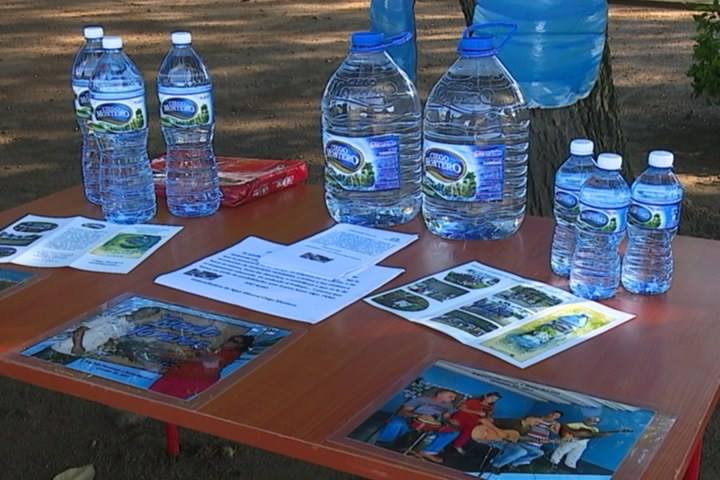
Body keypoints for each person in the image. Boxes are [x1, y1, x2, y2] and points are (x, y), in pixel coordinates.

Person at [149, 334, 254, 400]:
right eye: (231, 339)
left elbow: (212, 360)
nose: (230, 342)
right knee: (150, 396)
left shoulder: (230, 353)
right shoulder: (217, 349)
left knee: (164, 400)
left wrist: (181, 357)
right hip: (177, 376)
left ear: (240, 347)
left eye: (235, 342)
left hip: (192, 380)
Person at [376, 389, 460, 464]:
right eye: (450, 396)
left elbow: (446, 418)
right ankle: (384, 443)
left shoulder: (449, 406)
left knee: (454, 432)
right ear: (440, 394)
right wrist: (419, 415)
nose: (453, 399)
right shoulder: (422, 399)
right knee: (397, 423)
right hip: (411, 422)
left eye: (453, 398)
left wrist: (451, 422)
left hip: (433, 427)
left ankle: (428, 452)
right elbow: (403, 411)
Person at [492, 411, 563, 469]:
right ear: (550, 413)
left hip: (536, 445)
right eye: (554, 415)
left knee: (539, 453)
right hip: (524, 441)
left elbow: (555, 434)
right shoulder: (536, 419)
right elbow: (523, 431)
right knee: (521, 451)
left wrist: (550, 429)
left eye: (557, 417)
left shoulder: (555, 424)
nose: (554, 417)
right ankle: (496, 464)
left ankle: (513, 463)